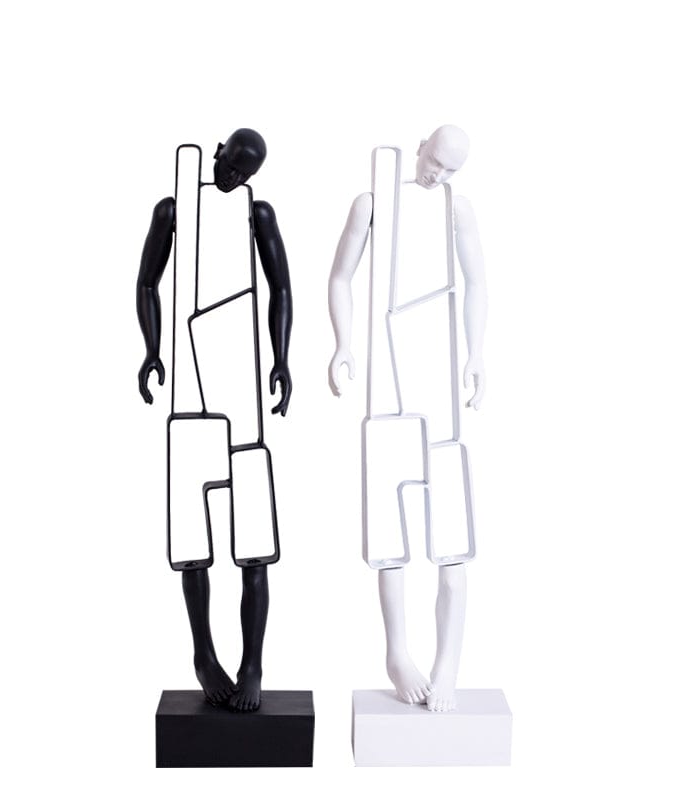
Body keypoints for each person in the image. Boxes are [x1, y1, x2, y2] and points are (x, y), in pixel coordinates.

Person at [328, 125, 487, 712]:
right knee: (388, 532)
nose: (436, 175)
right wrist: (343, 344)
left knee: (452, 538)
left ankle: (448, 663)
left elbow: (477, 283)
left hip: (436, 372)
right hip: (390, 379)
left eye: (450, 170)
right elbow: (340, 276)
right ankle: (397, 652)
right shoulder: (373, 202)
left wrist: (475, 353)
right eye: (435, 161)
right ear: (421, 147)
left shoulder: (456, 210)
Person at [137, 128, 292, 712]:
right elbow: (147, 281)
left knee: (254, 540)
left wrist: (281, 358)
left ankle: (253, 663)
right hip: (192, 382)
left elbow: (281, 288)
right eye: (232, 164)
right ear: (219, 149)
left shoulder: (257, 213)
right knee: (191, 536)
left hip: (240, 379)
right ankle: (203, 653)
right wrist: (152, 349)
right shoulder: (175, 207)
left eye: (246, 173)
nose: (234, 177)